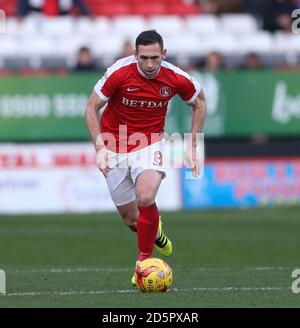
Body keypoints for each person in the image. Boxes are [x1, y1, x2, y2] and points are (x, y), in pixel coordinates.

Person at [84, 30, 206, 286]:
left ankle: (143, 264)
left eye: (154, 57)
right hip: (114, 145)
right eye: (143, 58)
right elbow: (91, 107)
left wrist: (192, 144)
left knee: (146, 197)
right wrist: (100, 148)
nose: (149, 64)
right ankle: (155, 230)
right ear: (134, 55)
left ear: (164, 54)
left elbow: (200, 102)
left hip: (149, 142)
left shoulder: (175, 77)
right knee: (131, 220)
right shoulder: (119, 72)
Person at [17, 0, 91, 17]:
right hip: (38, 17)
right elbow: (23, 3)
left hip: (62, 18)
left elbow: (79, 3)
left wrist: (88, 15)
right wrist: (21, 14)